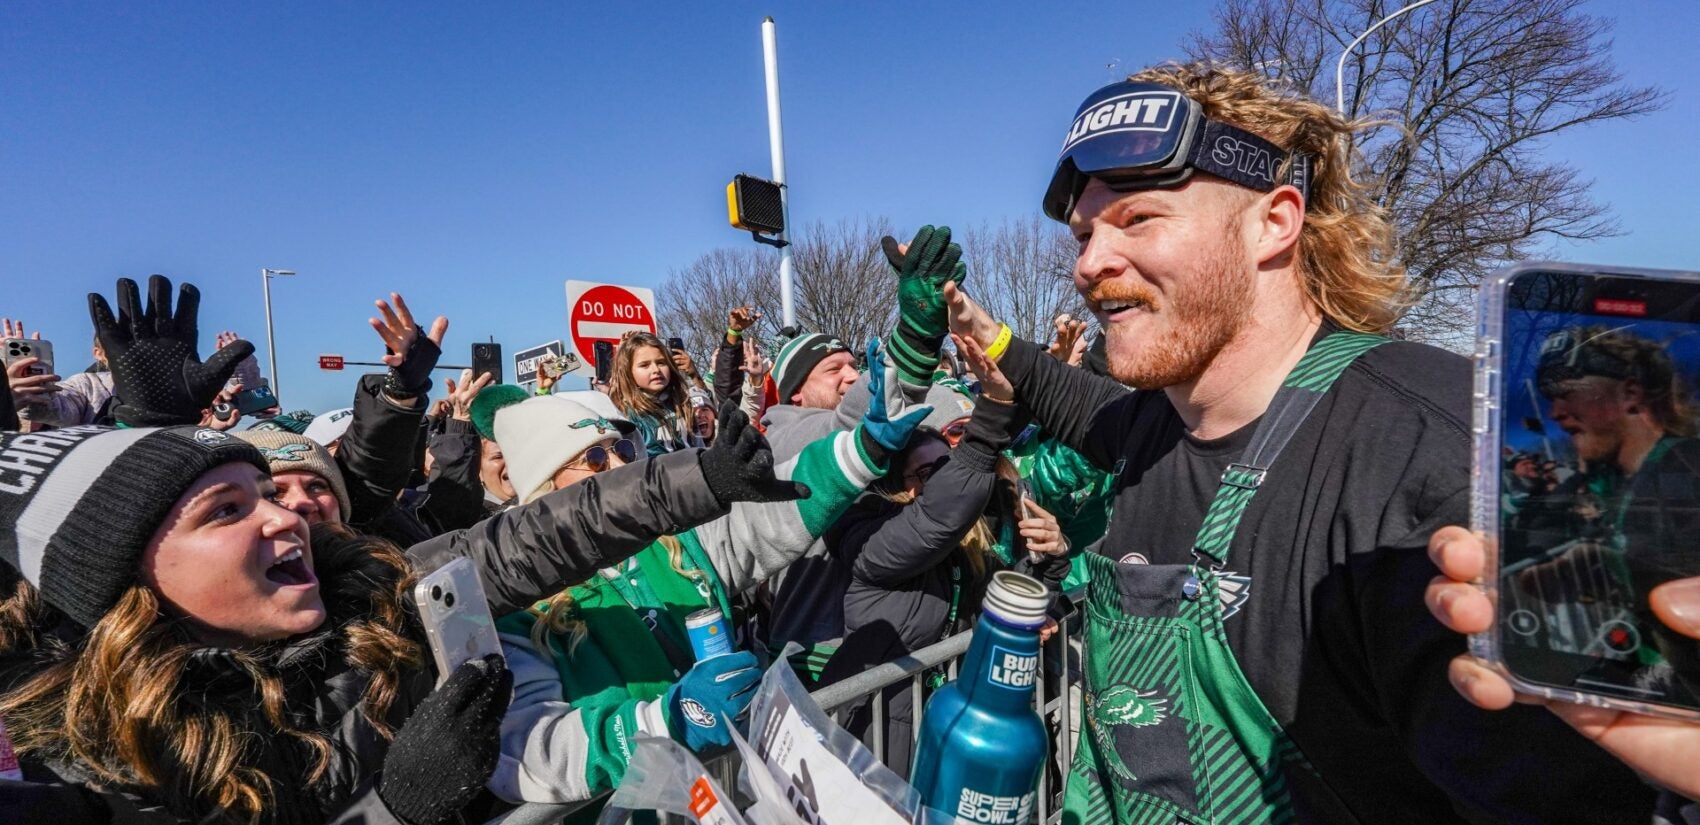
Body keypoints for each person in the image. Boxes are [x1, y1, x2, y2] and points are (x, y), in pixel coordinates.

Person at [937, 63, 1651, 822]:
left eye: (1137, 219)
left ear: (1275, 221)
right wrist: (989, 335)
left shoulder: (1432, 464)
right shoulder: (1151, 423)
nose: (1087, 264)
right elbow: (1076, 399)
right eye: (1084, 234)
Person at [485, 342, 931, 806]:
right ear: (544, 489)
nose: (620, 467)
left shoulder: (672, 545)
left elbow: (768, 519)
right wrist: (669, 720)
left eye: (620, 448)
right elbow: (525, 750)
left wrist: (860, 451)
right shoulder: (516, 607)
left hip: (724, 800)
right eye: (594, 460)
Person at [0, 425, 514, 825]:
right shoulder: (85, 772)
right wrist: (395, 810)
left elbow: (527, 542)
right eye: (226, 510)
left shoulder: (366, 618)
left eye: (265, 494)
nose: (288, 515)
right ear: (127, 575)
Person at [821, 351, 1069, 777]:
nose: (943, 477)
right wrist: (992, 415)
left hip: (949, 727)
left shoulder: (968, 541)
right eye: (927, 472)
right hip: (881, 735)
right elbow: (936, 518)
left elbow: (1004, 606)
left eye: (948, 465)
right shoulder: (872, 539)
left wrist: (1049, 562)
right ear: (899, 487)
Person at [606, 332, 701, 457]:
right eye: (644, 365)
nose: (656, 370)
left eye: (661, 362)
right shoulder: (627, 414)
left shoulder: (682, 401)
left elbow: (700, 444)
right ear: (628, 371)